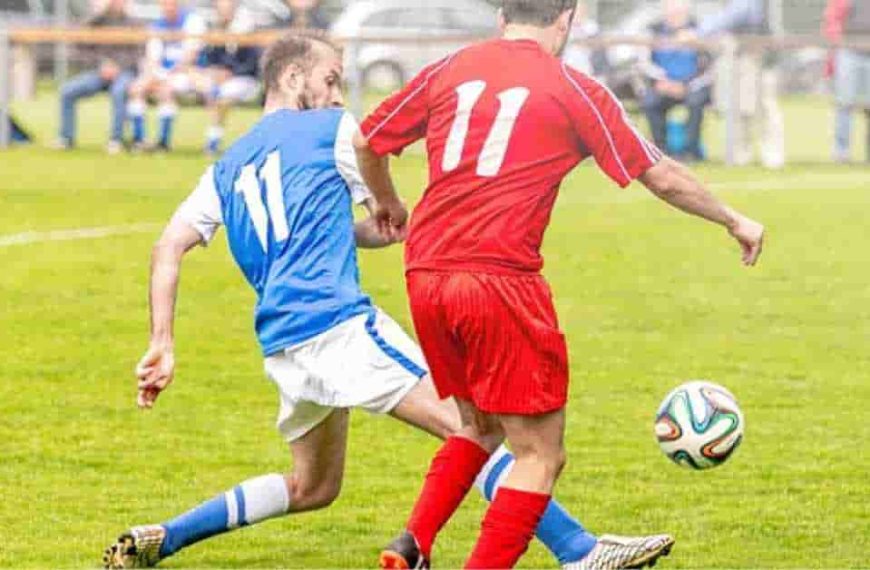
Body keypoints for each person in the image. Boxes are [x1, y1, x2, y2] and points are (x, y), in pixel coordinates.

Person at [102, 33, 667, 570]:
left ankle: (167, 536)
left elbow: (169, 247)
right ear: (294, 76)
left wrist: (162, 342)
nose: (338, 93)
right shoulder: (330, 129)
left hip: (282, 344)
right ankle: (579, 550)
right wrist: (397, 207)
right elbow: (375, 157)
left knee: (312, 487)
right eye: (330, 79)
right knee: (472, 427)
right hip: (338, 327)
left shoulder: (227, 165)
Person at [353, 0, 765, 568]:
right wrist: (732, 218)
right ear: (566, 19)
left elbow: (366, 140)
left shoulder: (450, 66)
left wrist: (389, 203)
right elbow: (660, 175)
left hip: (426, 273)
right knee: (540, 454)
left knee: (478, 425)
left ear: (503, 16)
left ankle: (412, 544)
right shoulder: (573, 87)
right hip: (496, 277)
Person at [699, 0, 785, 168]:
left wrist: (699, 31)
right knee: (738, 107)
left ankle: (773, 156)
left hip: (760, 57)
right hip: (737, 57)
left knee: (765, 107)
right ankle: (740, 156)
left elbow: (737, 14)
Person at [55, 0, 140, 154]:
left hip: (125, 71)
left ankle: (116, 140)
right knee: (67, 91)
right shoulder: (97, 21)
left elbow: (139, 53)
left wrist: (118, 67)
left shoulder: (134, 23)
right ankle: (66, 138)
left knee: (119, 92)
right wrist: (102, 64)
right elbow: (78, 45)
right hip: (99, 71)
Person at [126, 0, 206, 152]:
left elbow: (190, 57)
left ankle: (163, 142)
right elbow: (152, 59)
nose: (168, 7)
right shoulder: (157, 26)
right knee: (136, 88)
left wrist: (166, 76)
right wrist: (154, 74)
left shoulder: (192, 22)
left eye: (171, 4)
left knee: (165, 90)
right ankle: (139, 139)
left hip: (188, 73)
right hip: (162, 73)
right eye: (164, 4)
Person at [640, 0, 713, 162]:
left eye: (678, 5)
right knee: (650, 102)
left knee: (696, 101)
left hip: (692, 86)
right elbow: (644, 63)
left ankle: (690, 151)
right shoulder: (653, 31)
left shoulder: (701, 30)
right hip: (662, 85)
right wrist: (661, 81)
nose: (674, 9)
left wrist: (686, 85)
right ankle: (660, 151)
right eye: (670, 5)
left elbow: (708, 68)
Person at [196, 0, 261, 155]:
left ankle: (213, 141)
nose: (224, 11)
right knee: (208, 87)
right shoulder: (214, 30)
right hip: (220, 79)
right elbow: (206, 59)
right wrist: (214, 70)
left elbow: (252, 64)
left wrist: (230, 73)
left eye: (227, 7)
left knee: (222, 96)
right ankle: (213, 140)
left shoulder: (246, 30)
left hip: (244, 78)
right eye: (221, 7)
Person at [824, 0, 870, 164]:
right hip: (848, 50)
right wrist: (838, 42)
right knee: (844, 104)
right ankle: (841, 153)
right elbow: (832, 18)